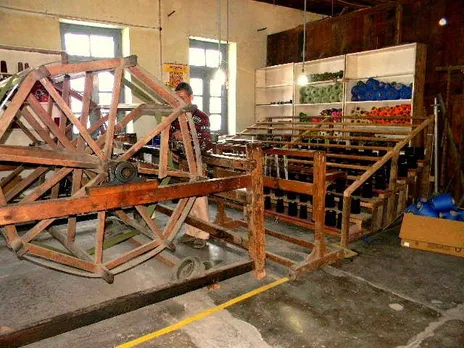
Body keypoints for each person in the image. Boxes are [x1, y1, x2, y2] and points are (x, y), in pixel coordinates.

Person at [170, 82, 212, 248]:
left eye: (182, 98)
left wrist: (185, 136)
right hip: (182, 163)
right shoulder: (176, 116)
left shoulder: (201, 117)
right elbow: (171, 136)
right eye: (177, 99)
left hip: (197, 161)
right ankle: (190, 232)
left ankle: (202, 234)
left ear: (191, 97)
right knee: (187, 198)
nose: (180, 102)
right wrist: (175, 135)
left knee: (199, 200)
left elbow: (205, 144)